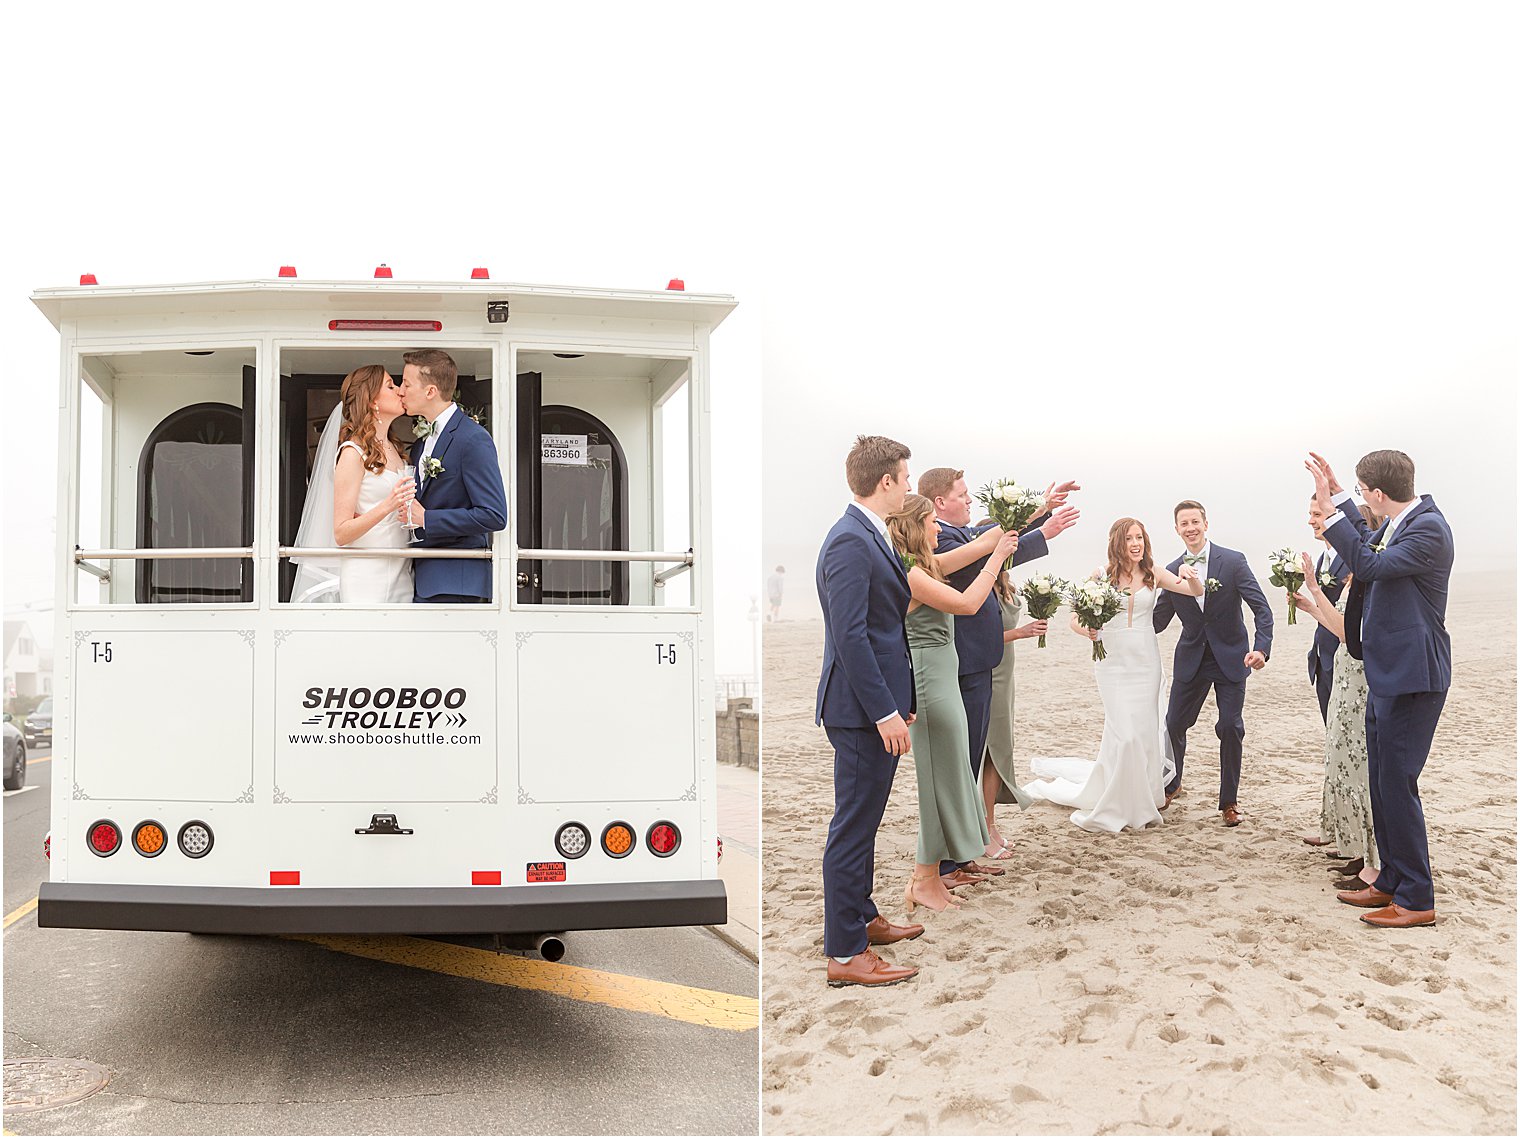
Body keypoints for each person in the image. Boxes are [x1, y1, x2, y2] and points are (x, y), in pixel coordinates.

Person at [1309, 450, 1452, 929]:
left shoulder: (1429, 528)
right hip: (1385, 672)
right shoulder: (1400, 522)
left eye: (1360, 488)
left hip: (1414, 677)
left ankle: (1416, 898)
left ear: (1378, 493)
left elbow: (1367, 566)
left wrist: (1329, 511)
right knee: (1380, 782)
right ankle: (1389, 881)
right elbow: (1370, 543)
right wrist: (1342, 495)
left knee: (1397, 785)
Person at [918, 468, 1079, 878]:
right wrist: (1044, 526)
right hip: (964, 667)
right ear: (940, 502)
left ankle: (961, 852)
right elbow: (997, 546)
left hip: (980, 664)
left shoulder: (961, 535)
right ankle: (952, 859)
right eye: (963, 494)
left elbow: (995, 538)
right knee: (962, 764)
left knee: (969, 763)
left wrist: (1042, 511)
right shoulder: (949, 541)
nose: (970, 500)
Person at [816, 435, 924, 987]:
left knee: (866, 820)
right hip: (860, 712)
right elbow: (851, 636)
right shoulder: (850, 542)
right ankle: (845, 954)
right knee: (853, 828)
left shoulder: (868, 534)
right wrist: (884, 711)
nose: (909, 485)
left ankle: (862, 918)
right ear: (886, 480)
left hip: (876, 706)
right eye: (906, 477)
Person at [885, 495, 1019, 913]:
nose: (939, 529)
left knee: (952, 776)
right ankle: (923, 879)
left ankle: (931, 877)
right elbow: (967, 604)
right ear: (914, 526)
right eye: (931, 522)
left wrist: (1032, 510)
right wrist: (996, 560)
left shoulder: (927, 567)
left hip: (943, 674)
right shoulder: (909, 573)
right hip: (928, 680)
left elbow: (980, 544)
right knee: (936, 783)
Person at [1025, 519, 1202, 832]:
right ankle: (1119, 800)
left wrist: (1193, 577)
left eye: (1140, 538)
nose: (1136, 544)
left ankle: (1143, 794)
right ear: (1117, 543)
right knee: (1126, 733)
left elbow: (1192, 591)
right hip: (1112, 663)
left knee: (1144, 732)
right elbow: (1075, 621)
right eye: (1130, 538)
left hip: (1146, 663)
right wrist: (1090, 632)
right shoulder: (1100, 576)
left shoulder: (1153, 573)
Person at [1152, 501, 1273, 827]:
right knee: (1174, 724)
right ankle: (1171, 784)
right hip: (1191, 658)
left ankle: (1229, 801)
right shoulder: (1172, 568)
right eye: (1183, 523)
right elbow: (1158, 620)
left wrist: (1261, 649)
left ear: (1206, 524)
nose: (1190, 528)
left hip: (1233, 657)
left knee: (1230, 727)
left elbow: (1261, 609)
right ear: (1176, 529)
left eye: (1195, 521)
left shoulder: (1233, 561)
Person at [1293, 536, 1380, 891]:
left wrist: (1313, 588)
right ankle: (1358, 851)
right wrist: (1311, 606)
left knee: (1361, 770)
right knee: (1343, 763)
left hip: (1359, 682)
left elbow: (1351, 634)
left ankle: (1371, 861)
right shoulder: (1355, 575)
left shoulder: (1368, 575)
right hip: (1343, 676)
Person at [289, 365, 416, 604]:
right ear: (372, 402)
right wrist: (387, 505)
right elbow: (341, 532)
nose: (400, 391)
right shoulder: (352, 453)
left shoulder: (395, 449)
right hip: (367, 577)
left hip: (402, 571)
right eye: (390, 386)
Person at [396, 350, 508, 603]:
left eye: (406, 383)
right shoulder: (421, 443)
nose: (401, 391)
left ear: (430, 391)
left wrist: (427, 518)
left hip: (457, 582)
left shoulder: (472, 438)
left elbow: (494, 515)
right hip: (421, 577)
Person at [980, 563, 1046, 859]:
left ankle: (990, 826)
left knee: (1001, 750)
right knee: (989, 752)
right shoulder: (980, 587)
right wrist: (1021, 633)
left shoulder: (1005, 583)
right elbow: (976, 638)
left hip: (1007, 674)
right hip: (987, 673)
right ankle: (983, 831)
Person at [1305, 495, 1350, 725]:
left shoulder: (1352, 560)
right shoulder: (1323, 558)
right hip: (1323, 661)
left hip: (1345, 658)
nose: (1311, 521)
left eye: (1317, 515)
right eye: (1310, 515)